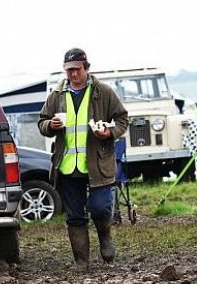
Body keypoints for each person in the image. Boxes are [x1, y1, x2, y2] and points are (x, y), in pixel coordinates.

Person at [38, 48, 129, 271]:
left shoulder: (103, 92)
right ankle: (82, 262)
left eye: (77, 69)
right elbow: (42, 123)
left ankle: (105, 237)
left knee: (99, 207)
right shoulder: (57, 95)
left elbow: (123, 119)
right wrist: (51, 125)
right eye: (69, 70)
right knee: (75, 216)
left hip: (97, 163)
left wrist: (109, 133)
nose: (73, 74)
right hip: (68, 166)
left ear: (86, 68)